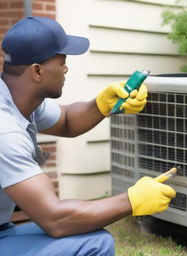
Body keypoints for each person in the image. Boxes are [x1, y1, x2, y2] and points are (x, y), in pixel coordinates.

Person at [0, 16, 176, 256]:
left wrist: (103, 104)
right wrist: (132, 200)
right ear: (37, 71)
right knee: (95, 244)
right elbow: (56, 218)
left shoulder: (16, 98)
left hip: (4, 229)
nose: (66, 68)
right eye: (61, 60)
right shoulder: (5, 130)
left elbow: (67, 120)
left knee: (90, 234)